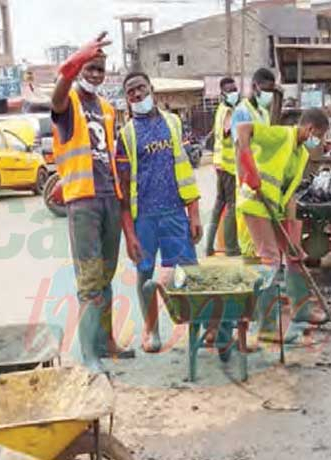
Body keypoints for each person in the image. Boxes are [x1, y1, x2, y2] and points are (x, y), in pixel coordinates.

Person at [50, 32, 134, 373]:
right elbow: (56, 95)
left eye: (100, 69)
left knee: (106, 277)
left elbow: (114, 157)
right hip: (83, 201)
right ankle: (88, 355)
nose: (95, 74)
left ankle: (106, 342)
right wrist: (73, 62)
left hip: (109, 198)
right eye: (90, 67)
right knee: (89, 280)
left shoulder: (108, 110)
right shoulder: (67, 102)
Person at [116, 73, 202, 353]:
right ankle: (151, 331)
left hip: (175, 212)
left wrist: (194, 212)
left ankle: (197, 327)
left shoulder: (173, 123)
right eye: (131, 92)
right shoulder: (126, 134)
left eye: (141, 88)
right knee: (145, 275)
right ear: (127, 99)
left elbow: (185, 170)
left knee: (188, 272)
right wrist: (130, 234)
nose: (137, 95)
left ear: (151, 89)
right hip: (145, 218)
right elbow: (124, 189)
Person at [236, 108, 331, 341]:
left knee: (294, 256)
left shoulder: (302, 155)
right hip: (255, 203)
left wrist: (292, 235)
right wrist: (248, 165)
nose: (319, 141)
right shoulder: (280, 136)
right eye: (319, 136)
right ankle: (266, 327)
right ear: (310, 129)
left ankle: (301, 310)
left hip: (275, 208)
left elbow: (290, 195)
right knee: (269, 259)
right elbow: (242, 130)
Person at [230, 68, 276, 260]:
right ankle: (250, 268)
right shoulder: (241, 112)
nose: (269, 94)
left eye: (272, 90)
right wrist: (244, 180)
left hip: (263, 176)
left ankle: (263, 268)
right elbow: (240, 148)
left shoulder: (264, 113)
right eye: (266, 89)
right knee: (248, 231)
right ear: (255, 87)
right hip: (247, 177)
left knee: (262, 228)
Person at [204, 77, 241, 257]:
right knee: (232, 205)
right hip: (228, 166)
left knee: (219, 204)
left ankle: (209, 246)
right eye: (231, 90)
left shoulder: (220, 110)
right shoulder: (228, 112)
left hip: (220, 163)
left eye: (235, 89)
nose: (234, 92)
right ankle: (231, 247)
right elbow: (228, 133)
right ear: (223, 93)